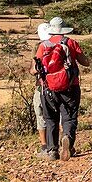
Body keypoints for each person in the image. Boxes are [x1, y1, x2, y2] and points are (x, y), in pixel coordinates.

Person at [35, 17, 89, 161]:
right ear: (64, 30)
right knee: (69, 117)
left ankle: (52, 151)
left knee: (50, 118)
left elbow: (33, 69)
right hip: (70, 86)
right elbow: (86, 62)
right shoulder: (70, 42)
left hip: (48, 88)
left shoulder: (43, 45)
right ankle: (67, 138)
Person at [30, 23, 52, 153]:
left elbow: (33, 70)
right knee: (59, 115)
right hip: (60, 86)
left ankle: (44, 145)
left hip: (42, 86)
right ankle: (61, 141)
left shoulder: (38, 46)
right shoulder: (61, 43)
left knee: (40, 114)